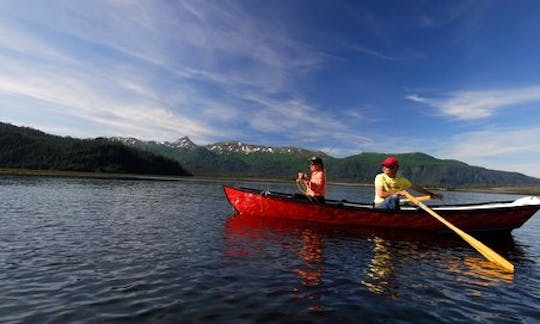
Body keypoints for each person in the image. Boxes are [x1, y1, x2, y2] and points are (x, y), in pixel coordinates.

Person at [374, 156, 442, 209]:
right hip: (380, 205)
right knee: (394, 197)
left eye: (388, 166)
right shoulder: (380, 177)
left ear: (395, 168)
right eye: (384, 166)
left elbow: (417, 188)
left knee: (395, 199)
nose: (384, 168)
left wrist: (432, 194)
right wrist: (398, 193)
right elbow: (381, 194)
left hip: (393, 206)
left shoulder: (401, 180)